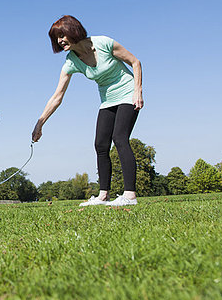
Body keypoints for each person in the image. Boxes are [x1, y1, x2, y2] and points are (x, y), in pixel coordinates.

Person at [31, 15, 143, 207]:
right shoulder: (71, 61)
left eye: (62, 35)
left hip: (127, 93)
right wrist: (40, 122)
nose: (59, 41)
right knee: (100, 144)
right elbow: (57, 96)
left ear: (73, 31)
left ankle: (130, 195)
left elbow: (135, 62)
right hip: (107, 100)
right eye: (56, 38)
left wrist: (137, 91)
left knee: (120, 138)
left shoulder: (103, 43)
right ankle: (103, 195)